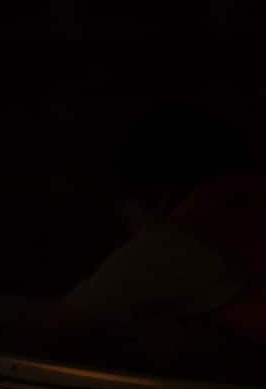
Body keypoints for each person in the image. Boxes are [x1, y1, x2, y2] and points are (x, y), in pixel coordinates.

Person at [43, 104, 264, 374]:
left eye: (125, 209)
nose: (127, 227)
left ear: (156, 197)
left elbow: (52, 331)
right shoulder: (244, 219)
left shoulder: (177, 245)